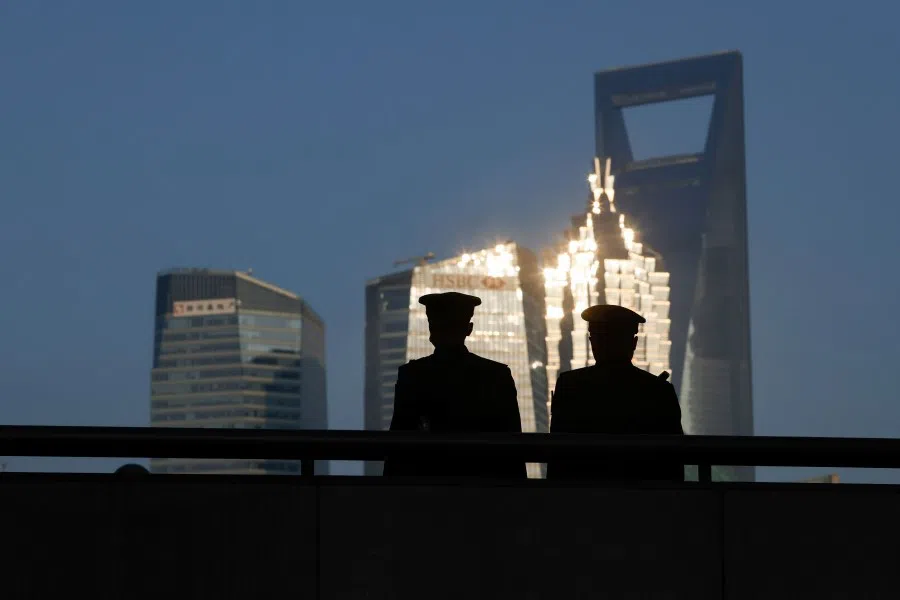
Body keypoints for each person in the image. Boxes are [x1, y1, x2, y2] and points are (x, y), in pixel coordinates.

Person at [383, 291, 526, 479]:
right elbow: (513, 444)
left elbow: (399, 441)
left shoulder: (413, 374)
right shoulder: (496, 374)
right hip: (485, 485)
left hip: (426, 482)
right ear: (469, 329)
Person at [547, 304, 684, 482]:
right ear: (633, 343)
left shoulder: (570, 384)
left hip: (581, 493)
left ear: (593, 343)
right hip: (643, 495)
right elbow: (674, 459)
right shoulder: (658, 390)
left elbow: (557, 452)